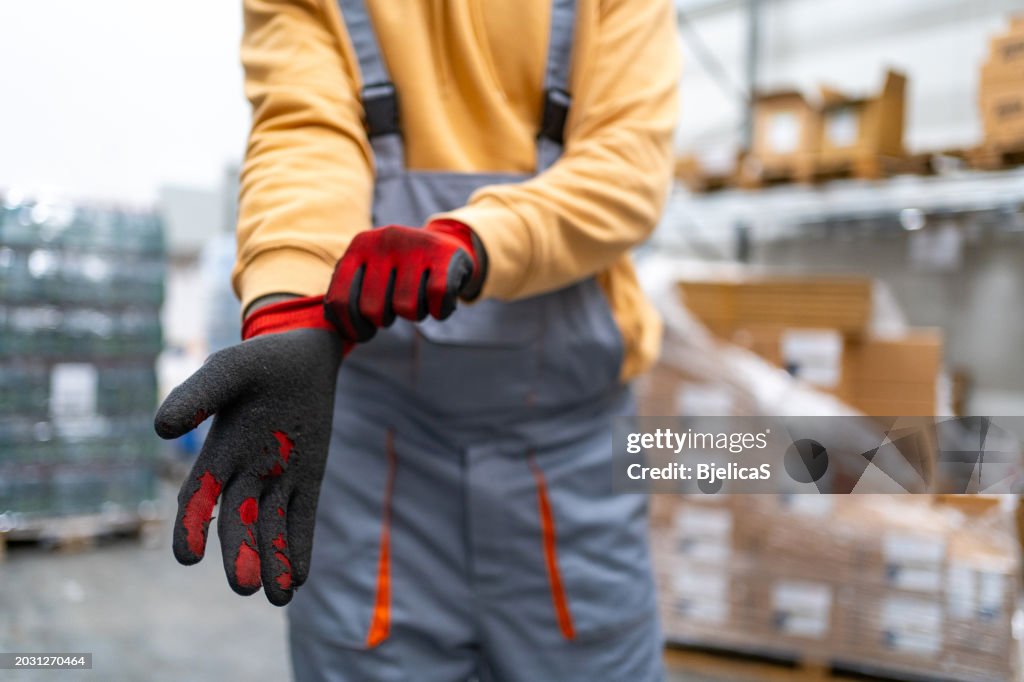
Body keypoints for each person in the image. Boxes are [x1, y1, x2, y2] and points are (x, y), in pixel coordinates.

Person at [155, 0, 680, 679]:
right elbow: (305, 133)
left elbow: (625, 165)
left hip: (567, 461)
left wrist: (477, 239)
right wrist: (288, 306)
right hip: (377, 457)